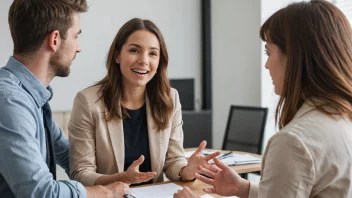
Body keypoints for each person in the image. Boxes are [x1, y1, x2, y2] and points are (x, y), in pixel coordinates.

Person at [174, 0, 352, 197]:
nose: (266, 65)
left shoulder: (294, 142)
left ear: (295, 57)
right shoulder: (343, 118)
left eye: (269, 52)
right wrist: (244, 188)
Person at [0, 0, 131, 197]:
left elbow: (69, 156)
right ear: (54, 40)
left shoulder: (31, 96)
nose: (78, 48)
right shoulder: (10, 101)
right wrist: (105, 193)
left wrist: (115, 179)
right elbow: (41, 193)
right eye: (75, 36)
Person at [68, 18, 220, 186]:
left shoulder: (170, 98)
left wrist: (186, 171)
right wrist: (119, 180)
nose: (144, 60)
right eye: (134, 50)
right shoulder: (88, 102)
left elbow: (173, 161)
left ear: (159, 61)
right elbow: (80, 172)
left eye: (153, 53)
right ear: (117, 55)